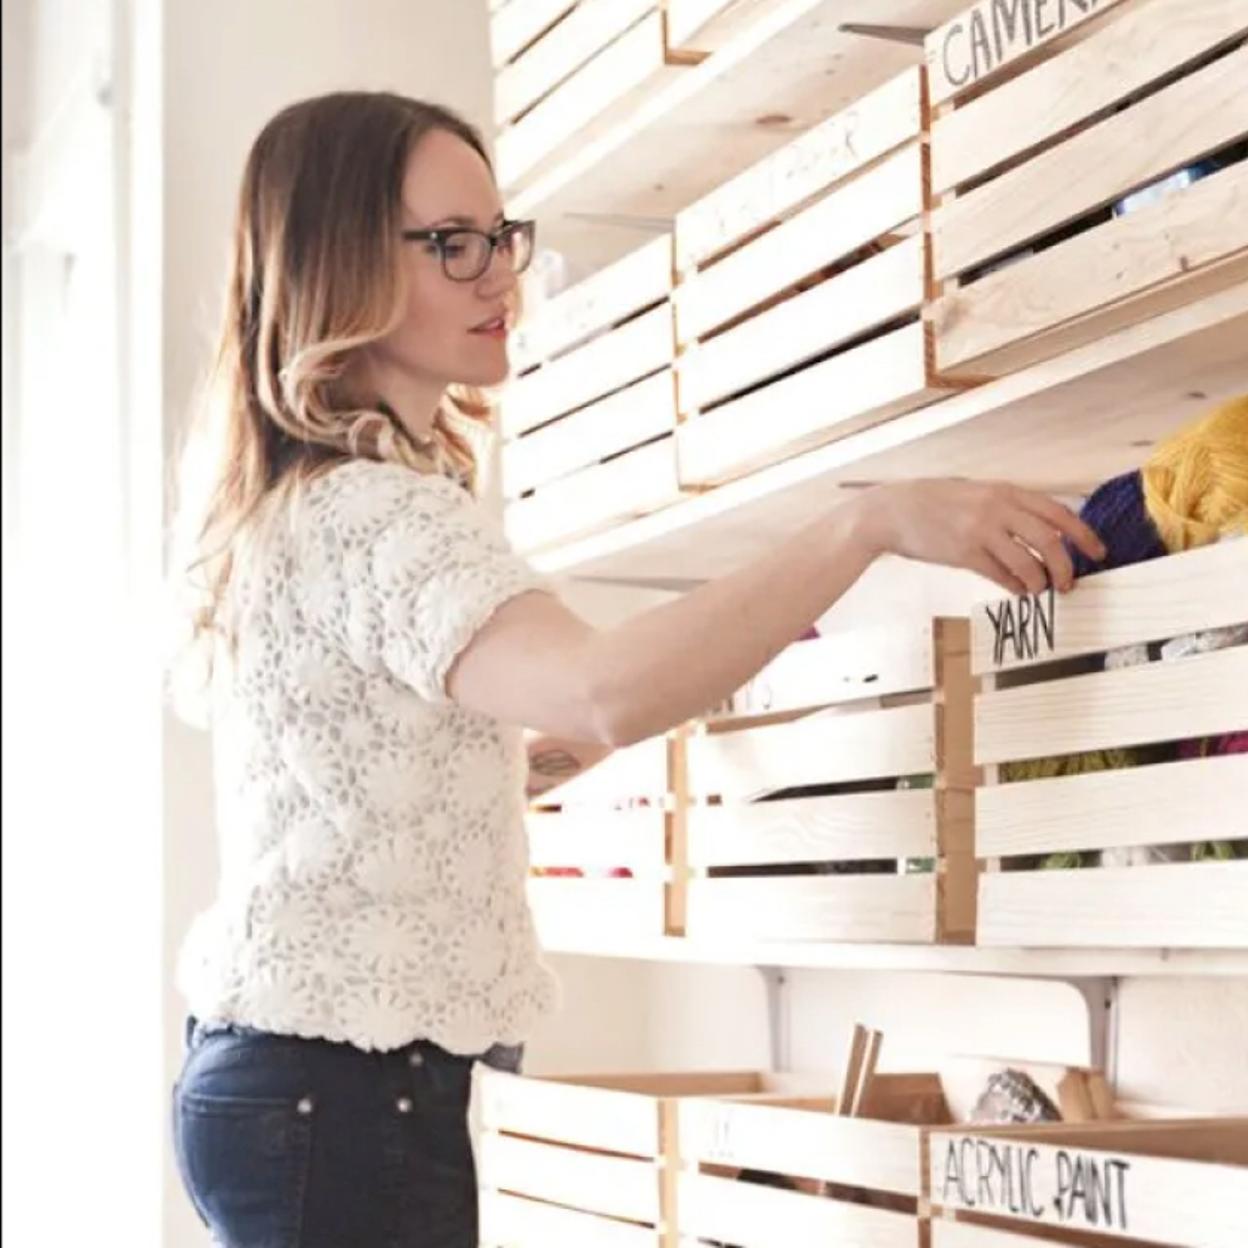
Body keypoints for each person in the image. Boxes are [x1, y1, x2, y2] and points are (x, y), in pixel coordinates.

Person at [167, 91, 1105, 1248]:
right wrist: (872, 522)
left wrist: (544, 759)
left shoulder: (310, 503)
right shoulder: (377, 515)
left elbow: (372, 782)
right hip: (349, 1097)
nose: (498, 278)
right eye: (450, 245)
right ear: (339, 264)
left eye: (500, 238)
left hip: (292, 1084)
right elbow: (600, 686)